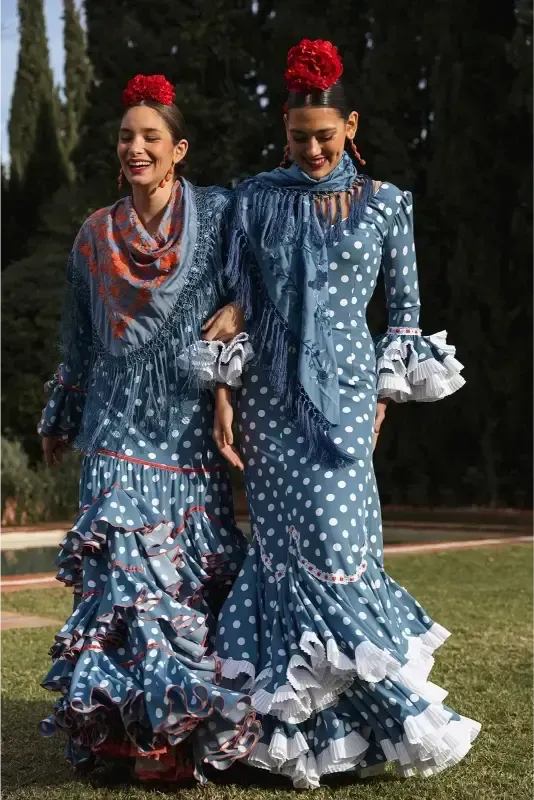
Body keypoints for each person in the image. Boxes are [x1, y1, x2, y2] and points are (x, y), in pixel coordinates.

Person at [212, 40, 480, 788]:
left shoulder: (388, 204)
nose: (313, 149)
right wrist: (224, 393)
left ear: (350, 125)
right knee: (279, 556)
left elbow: (405, 314)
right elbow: (237, 300)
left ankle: (384, 721)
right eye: (300, 136)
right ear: (285, 128)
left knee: (339, 550)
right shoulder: (254, 199)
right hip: (268, 399)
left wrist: (385, 398)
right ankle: (295, 743)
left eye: (325, 136)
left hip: (346, 399)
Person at [38, 74, 260, 784]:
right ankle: (122, 735)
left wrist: (238, 311)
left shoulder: (220, 214)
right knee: (122, 585)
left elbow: (261, 279)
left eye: (151, 137)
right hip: (113, 429)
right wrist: (60, 413)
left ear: (178, 149)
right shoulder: (93, 235)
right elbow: (78, 339)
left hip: (190, 428)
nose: (136, 147)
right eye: (126, 137)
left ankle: (177, 736)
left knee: (185, 581)